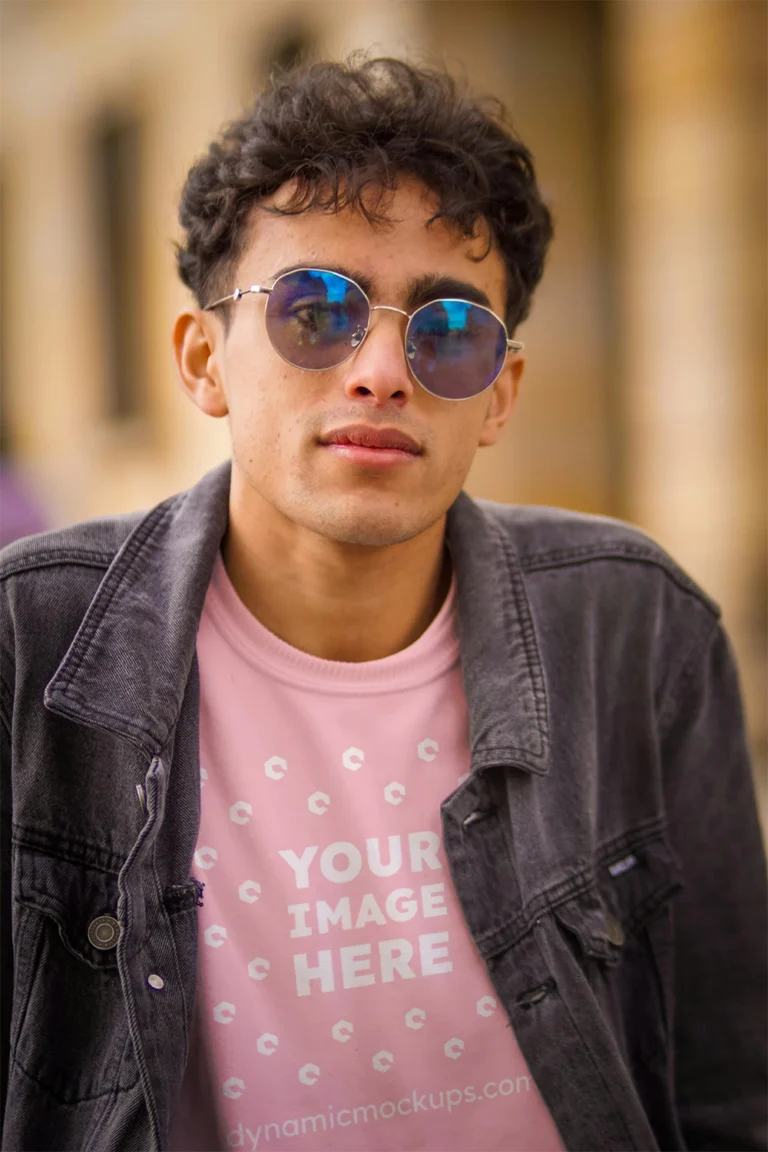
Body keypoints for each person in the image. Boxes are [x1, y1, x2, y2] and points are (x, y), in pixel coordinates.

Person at [0, 57, 766, 1152]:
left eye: (450, 330)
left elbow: (728, 1091)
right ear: (204, 358)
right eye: (316, 311)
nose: (382, 369)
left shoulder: (635, 627)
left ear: (499, 393)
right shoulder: (30, 646)